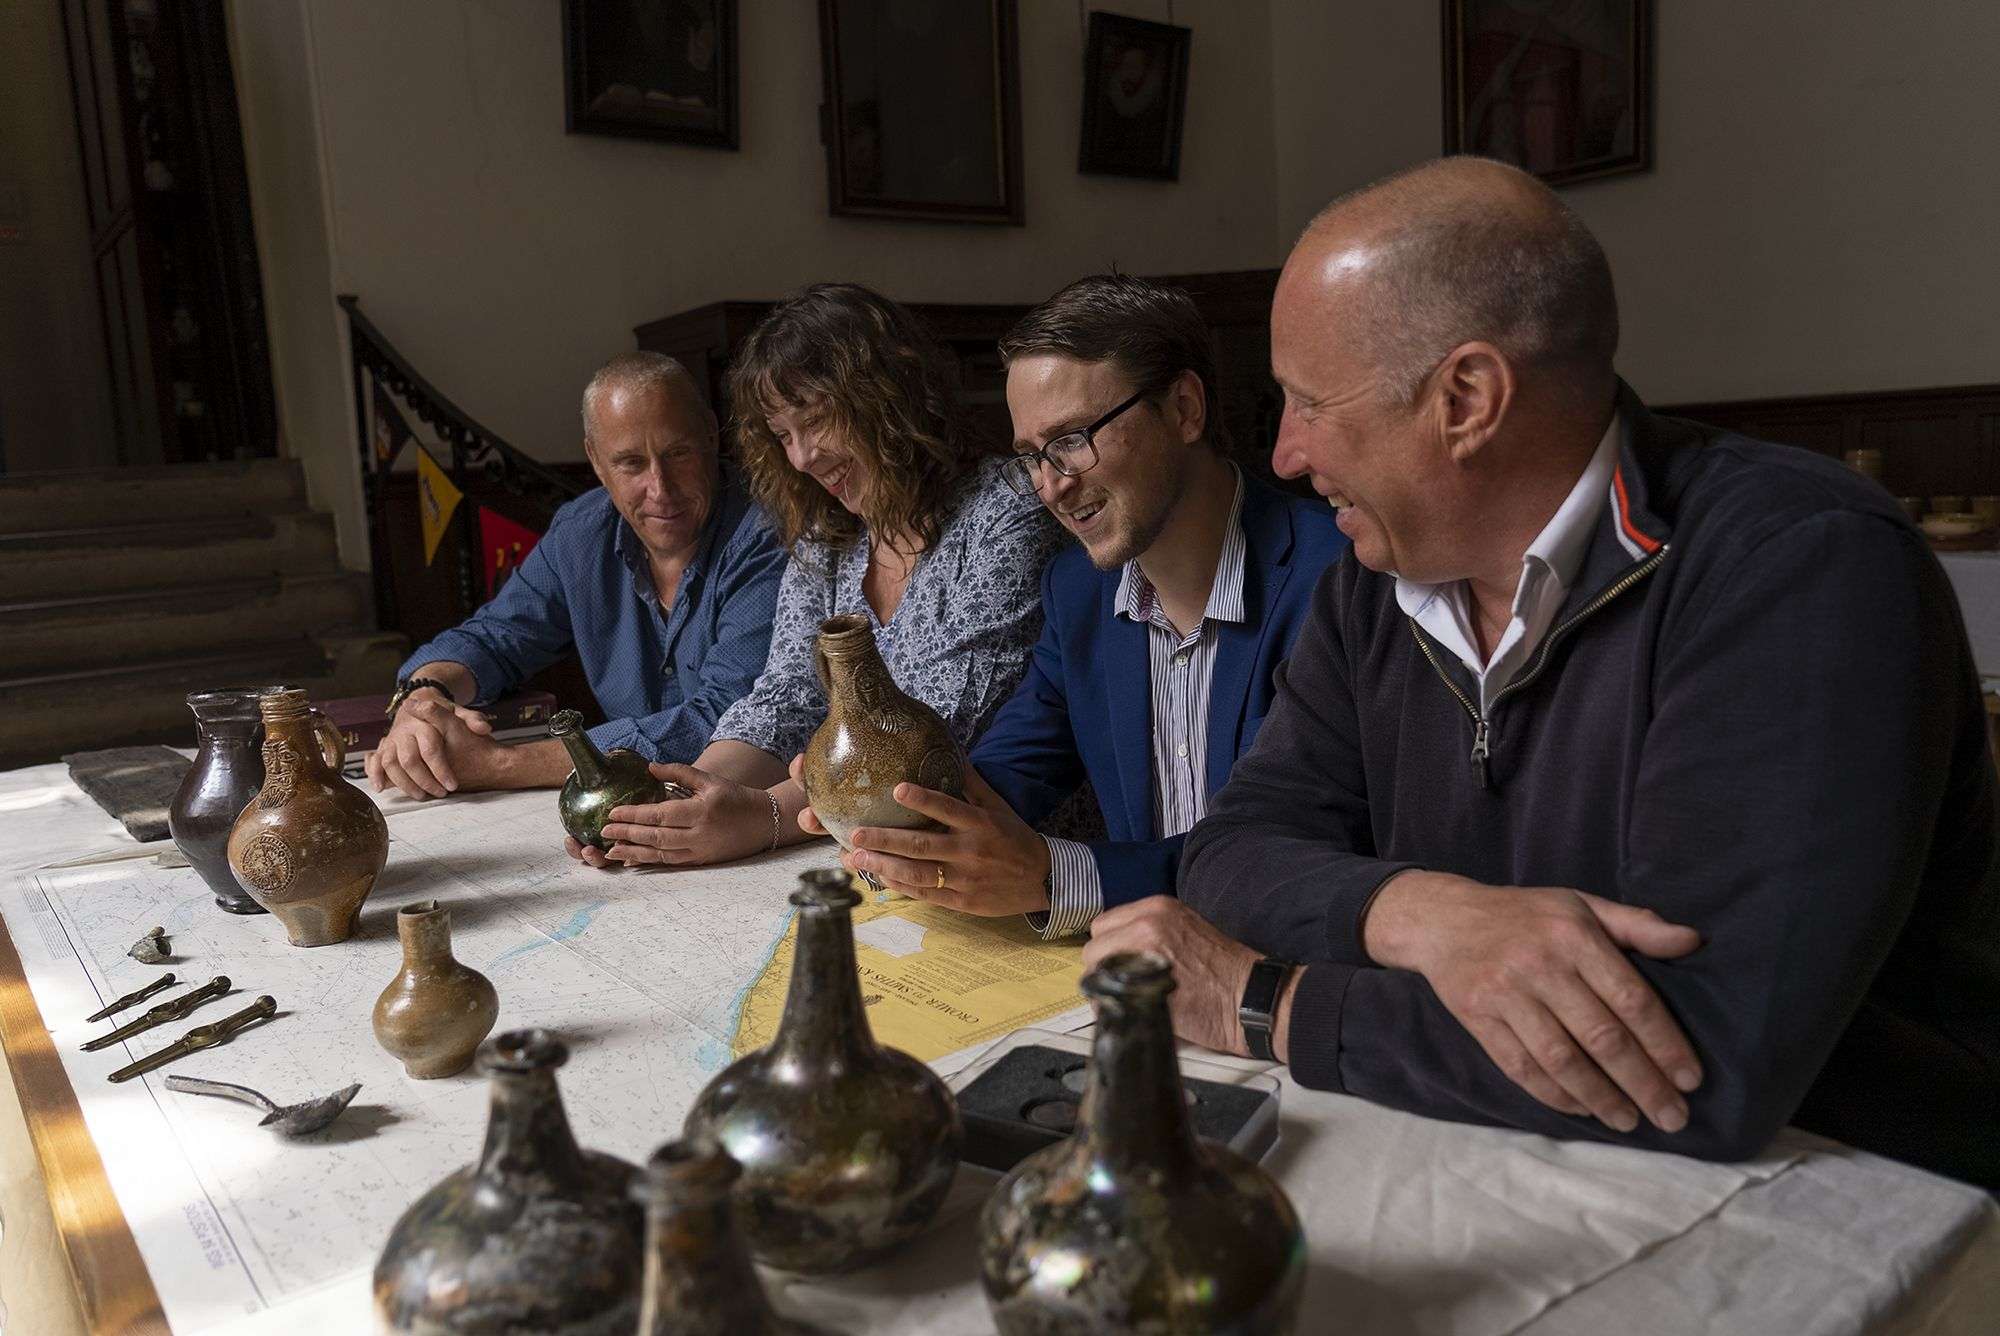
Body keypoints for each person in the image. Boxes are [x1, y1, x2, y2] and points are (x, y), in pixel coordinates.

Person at [1097, 156, 2000, 1189]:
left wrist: (1264, 1004)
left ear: (1467, 398)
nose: (1287, 456)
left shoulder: (1801, 564)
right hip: (1512, 1151)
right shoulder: (1371, 587)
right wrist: (1418, 912)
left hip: (1864, 1199)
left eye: (1308, 403)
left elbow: (1702, 1053)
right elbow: (1231, 853)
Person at [808, 275, 1348, 938]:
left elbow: (1295, 848)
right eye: (1032, 457)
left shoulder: (1337, 581)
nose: (1051, 487)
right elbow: (1013, 768)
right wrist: (897, 815)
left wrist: (1057, 876)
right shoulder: (1078, 591)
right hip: (1141, 963)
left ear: (1184, 409)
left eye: (1070, 440)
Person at [571, 283, 1065, 869]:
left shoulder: (1006, 512)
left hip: (1022, 869)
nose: (802, 457)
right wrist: (679, 807)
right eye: (782, 434)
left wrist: (763, 817)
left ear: (889, 399)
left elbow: (921, 747)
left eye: (817, 420)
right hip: (871, 856)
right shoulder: (828, 537)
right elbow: (786, 696)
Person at [368, 352, 786, 800]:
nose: (660, 488)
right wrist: (423, 699)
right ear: (596, 461)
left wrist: (499, 764)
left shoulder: (768, 530)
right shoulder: (581, 535)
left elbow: (729, 718)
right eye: (631, 463)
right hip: (630, 805)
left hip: (758, 807)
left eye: (677, 453)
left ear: (710, 433)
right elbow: (494, 637)